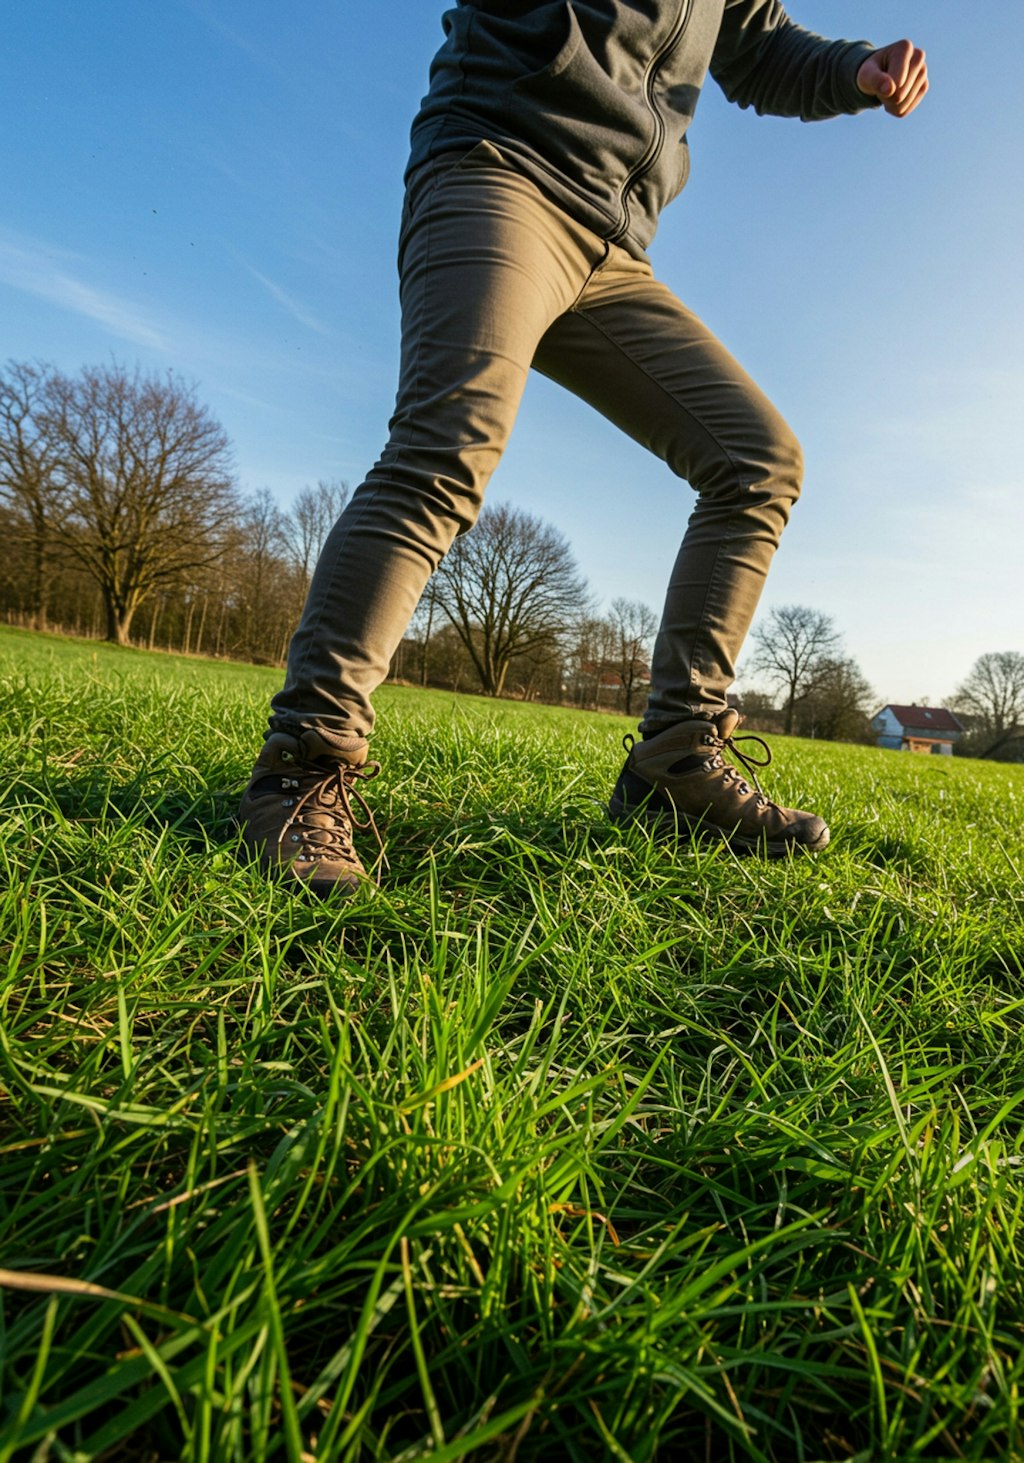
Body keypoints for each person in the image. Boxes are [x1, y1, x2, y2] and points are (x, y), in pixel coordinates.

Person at [238, 1, 928, 894]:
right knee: (449, 443)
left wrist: (856, 69)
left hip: (614, 249)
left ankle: (674, 767)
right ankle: (302, 768)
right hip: (500, 172)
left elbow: (758, 49)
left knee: (759, 460)